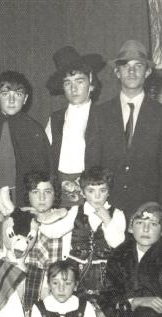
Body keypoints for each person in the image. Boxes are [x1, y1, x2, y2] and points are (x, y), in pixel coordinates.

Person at [86, 40, 162, 218]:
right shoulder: (99, 114)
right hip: (108, 208)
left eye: (138, 66)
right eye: (126, 66)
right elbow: (92, 164)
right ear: (117, 72)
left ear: (147, 72)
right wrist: (95, 207)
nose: (132, 71)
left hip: (148, 210)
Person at [39, 166, 126, 317]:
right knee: (76, 312)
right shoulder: (75, 211)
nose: (97, 196)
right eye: (91, 191)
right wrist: (39, 221)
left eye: (102, 191)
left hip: (105, 274)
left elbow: (118, 243)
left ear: (109, 192)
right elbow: (55, 231)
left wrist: (108, 220)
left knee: (101, 315)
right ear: (83, 193)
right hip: (77, 272)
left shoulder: (117, 214)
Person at [0, 71, 52, 252]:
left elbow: (42, 171)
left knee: (16, 245)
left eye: (18, 94)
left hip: (20, 197)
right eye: (5, 94)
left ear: (26, 98)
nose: (12, 100)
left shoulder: (33, 129)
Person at [44, 46, 105, 207]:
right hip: (60, 189)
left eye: (79, 81)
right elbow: (46, 158)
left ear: (91, 83)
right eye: (67, 83)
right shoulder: (55, 119)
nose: (73, 88)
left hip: (93, 190)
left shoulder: (104, 117)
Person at [22, 171, 66, 317]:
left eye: (47, 192)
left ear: (55, 194)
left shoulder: (62, 219)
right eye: (35, 192)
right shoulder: (20, 217)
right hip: (26, 279)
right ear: (28, 195)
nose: (42, 198)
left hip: (55, 280)